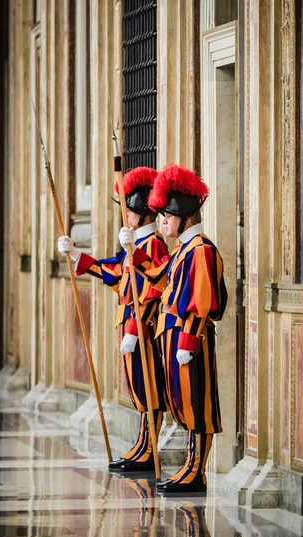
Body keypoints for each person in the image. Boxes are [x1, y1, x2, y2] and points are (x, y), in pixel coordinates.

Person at [118, 164, 227, 493]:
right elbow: (161, 277)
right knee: (183, 404)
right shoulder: (183, 251)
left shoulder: (202, 250)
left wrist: (189, 339)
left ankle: (197, 470)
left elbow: (202, 301)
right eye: (161, 214)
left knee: (198, 406)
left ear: (186, 217)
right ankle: (189, 467)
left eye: (167, 214)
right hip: (176, 338)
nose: (161, 220)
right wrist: (134, 254)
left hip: (189, 340)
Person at [58, 167, 168, 473]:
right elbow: (116, 272)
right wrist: (78, 255)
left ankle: (149, 448)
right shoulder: (134, 245)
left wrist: (134, 329)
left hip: (144, 328)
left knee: (148, 389)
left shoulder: (154, 245)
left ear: (144, 215)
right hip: (130, 325)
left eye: (130, 212)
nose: (126, 217)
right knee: (137, 388)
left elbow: (151, 291)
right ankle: (142, 443)